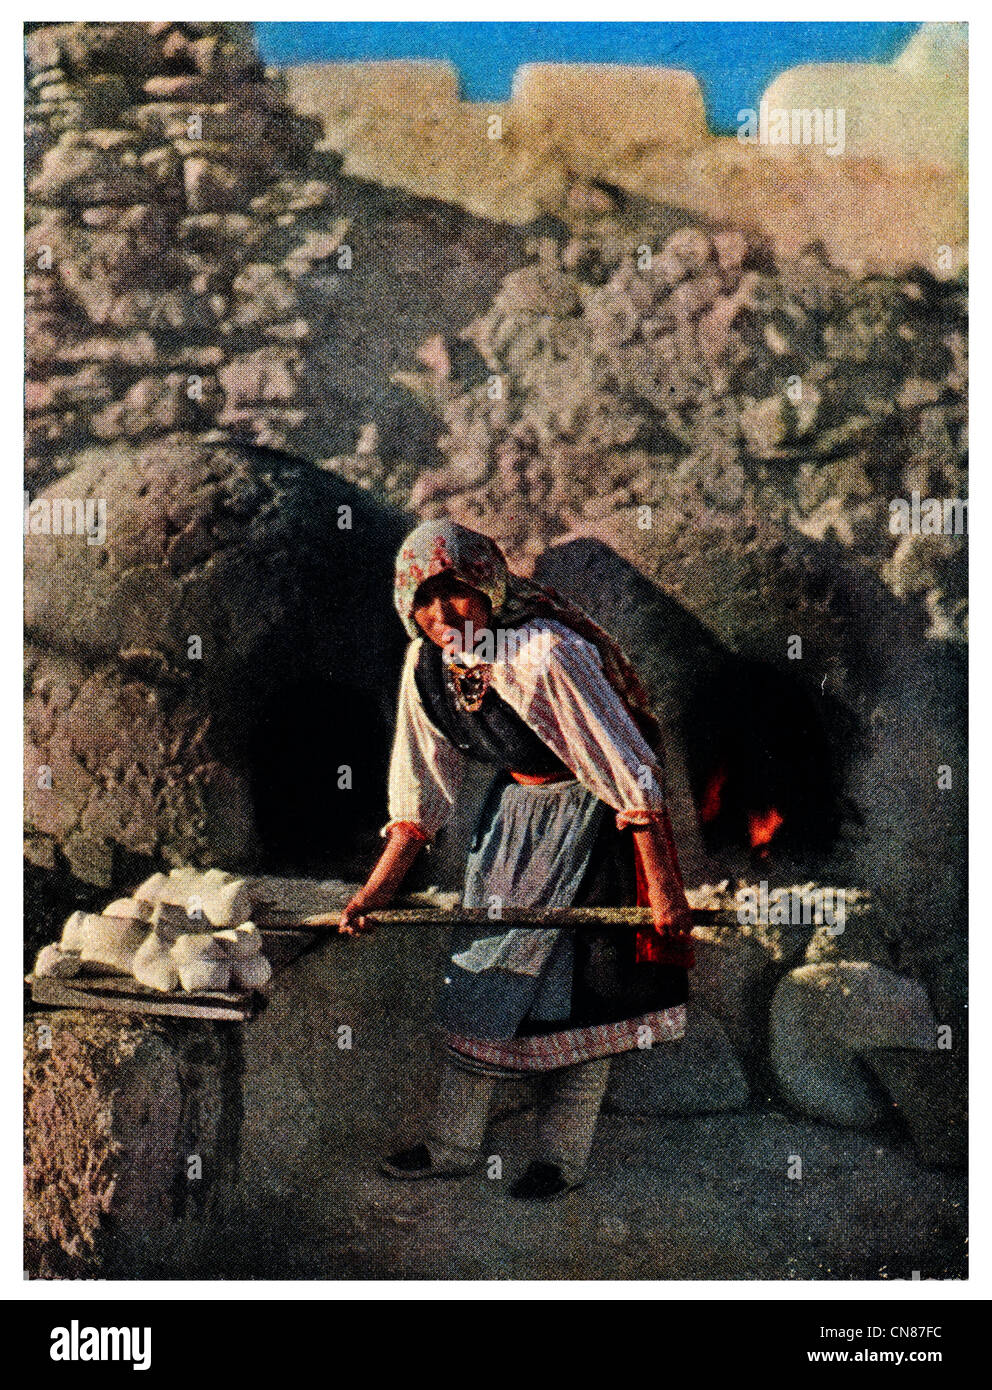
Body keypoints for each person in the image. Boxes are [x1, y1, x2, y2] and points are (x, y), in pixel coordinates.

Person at [333, 520, 695, 1201]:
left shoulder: (544, 654)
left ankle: (561, 1157)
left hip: (591, 823)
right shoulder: (428, 667)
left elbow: (630, 770)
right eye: (426, 601)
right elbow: (420, 790)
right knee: (481, 979)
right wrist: (376, 892)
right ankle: (452, 1146)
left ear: (489, 587)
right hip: (512, 828)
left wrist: (665, 891)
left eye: (459, 594)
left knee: (578, 998)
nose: (444, 616)